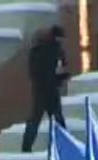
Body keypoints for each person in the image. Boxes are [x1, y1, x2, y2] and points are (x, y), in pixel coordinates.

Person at [21, 25, 69, 153]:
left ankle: (26, 147)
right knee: (58, 121)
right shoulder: (56, 51)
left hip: (39, 90)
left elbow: (33, 72)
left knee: (35, 120)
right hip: (50, 90)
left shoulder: (36, 50)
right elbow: (59, 70)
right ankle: (66, 146)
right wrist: (61, 77)